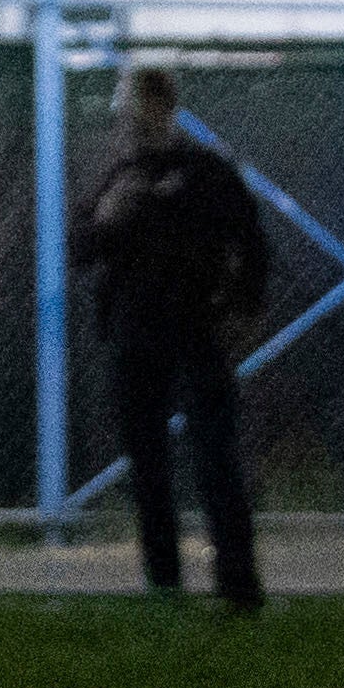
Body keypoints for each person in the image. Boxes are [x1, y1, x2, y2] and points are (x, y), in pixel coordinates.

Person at [74, 63, 271, 610]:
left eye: (135, 107)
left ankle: (238, 586)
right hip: (137, 339)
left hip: (195, 332)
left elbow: (251, 243)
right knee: (149, 465)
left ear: (162, 107)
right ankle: (164, 585)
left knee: (215, 459)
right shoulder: (120, 180)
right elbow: (79, 248)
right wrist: (105, 220)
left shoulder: (204, 173)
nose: (128, 120)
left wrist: (240, 307)